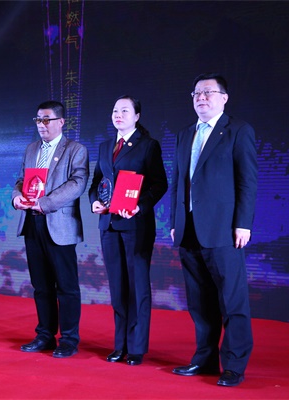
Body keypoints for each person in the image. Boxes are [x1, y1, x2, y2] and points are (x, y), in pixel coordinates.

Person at [169, 73, 257, 387]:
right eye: (196, 93)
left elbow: (247, 181)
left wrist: (243, 223)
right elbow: (178, 181)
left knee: (232, 300)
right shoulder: (185, 134)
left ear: (224, 97)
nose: (201, 97)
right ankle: (204, 359)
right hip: (189, 229)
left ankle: (233, 365)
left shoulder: (238, 130)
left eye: (208, 92)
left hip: (223, 229)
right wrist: (174, 222)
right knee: (199, 301)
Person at [88, 95, 168, 366]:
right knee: (117, 287)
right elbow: (97, 182)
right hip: (109, 224)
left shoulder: (148, 145)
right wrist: (94, 202)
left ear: (137, 116)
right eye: (115, 111)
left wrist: (139, 206)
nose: (118, 115)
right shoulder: (105, 146)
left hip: (135, 225)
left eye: (124, 110)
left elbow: (159, 184)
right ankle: (119, 344)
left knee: (137, 287)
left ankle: (135, 347)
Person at [12, 100, 89, 358]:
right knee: (41, 285)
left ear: (61, 121)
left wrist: (44, 203)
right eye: (38, 120)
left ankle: (68, 339)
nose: (41, 125)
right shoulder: (31, 149)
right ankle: (44, 334)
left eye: (46, 119)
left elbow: (78, 183)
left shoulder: (75, 149)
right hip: (32, 222)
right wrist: (16, 197)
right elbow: (21, 180)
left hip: (59, 223)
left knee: (66, 286)